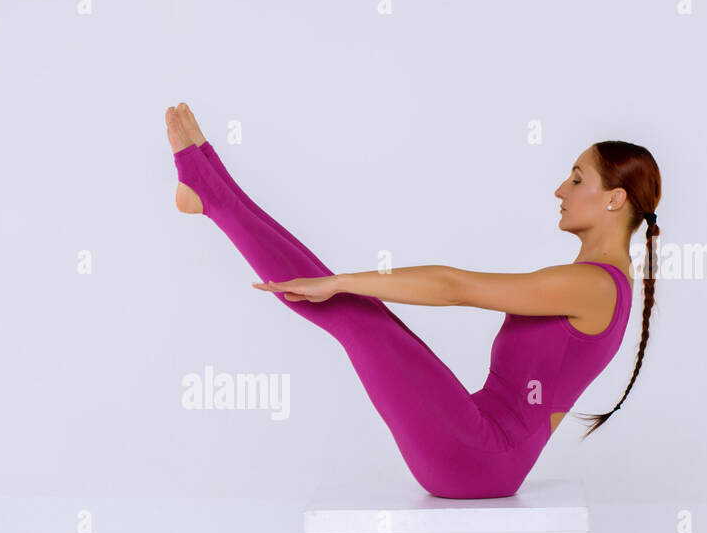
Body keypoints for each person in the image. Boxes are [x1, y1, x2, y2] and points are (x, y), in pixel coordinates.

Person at [167, 103, 660, 498]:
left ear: (614, 199)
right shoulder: (596, 281)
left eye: (577, 179)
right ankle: (211, 184)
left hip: (479, 459)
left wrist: (343, 281)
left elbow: (454, 287)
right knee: (355, 307)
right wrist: (343, 282)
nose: (560, 189)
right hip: (479, 439)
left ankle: (211, 193)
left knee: (351, 311)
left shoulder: (594, 286)